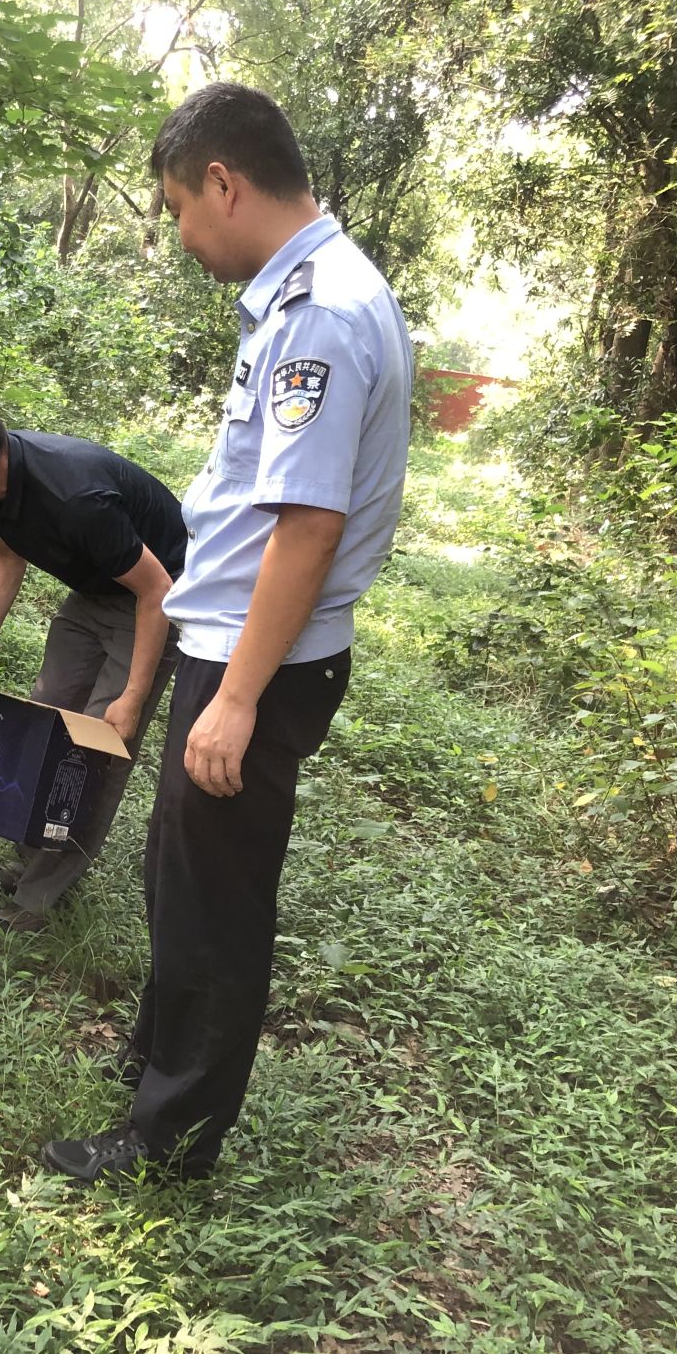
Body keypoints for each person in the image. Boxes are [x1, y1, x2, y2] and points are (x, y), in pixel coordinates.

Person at [41, 83, 412, 1183]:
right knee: (178, 874)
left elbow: (309, 526)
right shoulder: (307, 296)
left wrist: (239, 698)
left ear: (223, 182)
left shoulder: (321, 313)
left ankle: (171, 1142)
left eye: (177, 210)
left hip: (260, 663)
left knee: (215, 901)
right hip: (232, 647)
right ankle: (155, 1059)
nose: (181, 236)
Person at [0, 382, 187, 932]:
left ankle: (38, 899)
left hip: (156, 599)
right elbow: (5, 554)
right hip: (93, 594)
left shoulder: (75, 497)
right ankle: (27, 858)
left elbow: (157, 591)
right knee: (45, 725)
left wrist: (132, 696)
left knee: (97, 746)